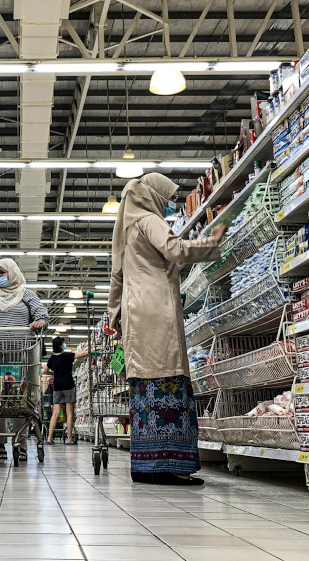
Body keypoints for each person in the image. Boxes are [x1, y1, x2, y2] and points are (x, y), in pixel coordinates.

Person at [108, 172, 226, 486]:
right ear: (154, 195)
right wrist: (211, 244)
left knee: (144, 384)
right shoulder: (149, 220)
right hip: (157, 309)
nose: (170, 203)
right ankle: (167, 465)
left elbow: (116, 276)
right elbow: (175, 249)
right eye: (168, 197)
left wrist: (113, 314)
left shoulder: (126, 228)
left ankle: (144, 464)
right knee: (168, 377)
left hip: (136, 313)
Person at [0, 258, 49, 461]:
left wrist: (39, 322)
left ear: (12, 273)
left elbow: (42, 315)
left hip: (22, 356)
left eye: (1, 272)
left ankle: (20, 443)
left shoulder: (26, 294)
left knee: (19, 400)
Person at [43, 337, 88, 445]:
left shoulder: (52, 359)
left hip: (57, 386)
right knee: (69, 413)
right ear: (61, 345)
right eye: (63, 343)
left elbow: (46, 370)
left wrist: (53, 374)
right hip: (68, 384)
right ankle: (69, 439)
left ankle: (49, 438)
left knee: (55, 413)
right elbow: (82, 354)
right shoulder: (68, 356)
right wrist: (92, 350)